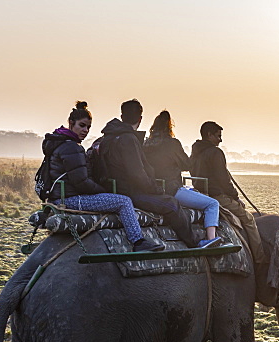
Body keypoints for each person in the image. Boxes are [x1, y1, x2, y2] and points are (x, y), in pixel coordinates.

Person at [41, 101, 163, 252]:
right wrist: (104, 191)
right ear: (71, 123)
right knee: (124, 201)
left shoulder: (58, 143)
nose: (85, 130)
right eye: (82, 125)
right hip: (71, 199)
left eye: (88, 127)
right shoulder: (72, 147)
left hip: (60, 196)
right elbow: (81, 182)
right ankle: (138, 241)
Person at [94, 100, 202, 248]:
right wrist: (155, 189)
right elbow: (137, 173)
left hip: (114, 189)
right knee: (172, 204)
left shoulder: (107, 138)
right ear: (140, 118)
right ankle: (195, 242)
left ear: (122, 116)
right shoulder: (129, 139)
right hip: (131, 191)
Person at [190, 121, 265, 263]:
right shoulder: (216, 152)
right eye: (218, 136)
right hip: (217, 196)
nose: (220, 139)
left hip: (200, 195)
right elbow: (224, 180)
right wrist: (236, 198)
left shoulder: (195, 152)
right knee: (248, 219)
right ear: (209, 135)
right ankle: (259, 259)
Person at [145, 110, 222, 248]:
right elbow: (186, 164)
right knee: (212, 204)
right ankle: (211, 238)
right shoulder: (172, 143)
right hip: (172, 189)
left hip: (152, 190)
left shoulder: (146, 144)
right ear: (169, 127)